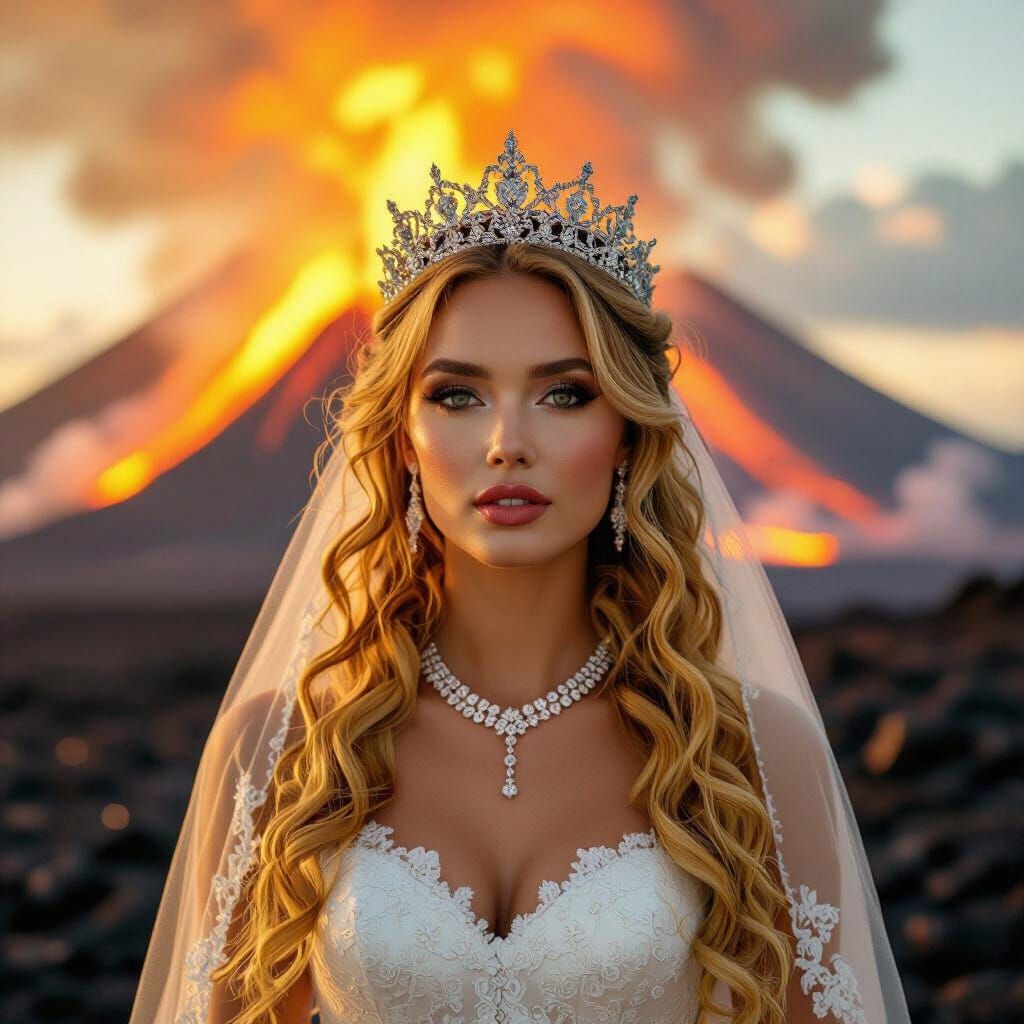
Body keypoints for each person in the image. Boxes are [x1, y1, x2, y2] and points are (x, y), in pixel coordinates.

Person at [129, 130, 912, 1024]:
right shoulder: (281, 754)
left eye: (565, 393)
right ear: (402, 439)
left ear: (628, 434)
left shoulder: (751, 757)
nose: (507, 441)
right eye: (457, 395)